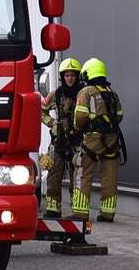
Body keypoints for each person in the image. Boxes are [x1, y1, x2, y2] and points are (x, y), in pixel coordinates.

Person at [71, 57, 125, 222]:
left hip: (92, 140)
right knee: (110, 176)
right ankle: (107, 213)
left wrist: (77, 130)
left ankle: (80, 213)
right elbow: (120, 115)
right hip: (112, 140)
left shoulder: (86, 92)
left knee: (82, 171)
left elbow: (80, 117)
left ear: (88, 74)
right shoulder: (112, 92)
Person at [39, 58, 83, 216]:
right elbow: (41, 110)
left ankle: (78, 210)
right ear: (62, 77)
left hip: (78, 142)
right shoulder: (55, 94)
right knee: (54, 174)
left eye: (73, 75)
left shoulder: (83, 94)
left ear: (77, 76)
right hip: (58, 141)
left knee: (77, 177)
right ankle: (53, 209)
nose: (70, 78)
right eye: (67, 75)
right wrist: (52, 123)